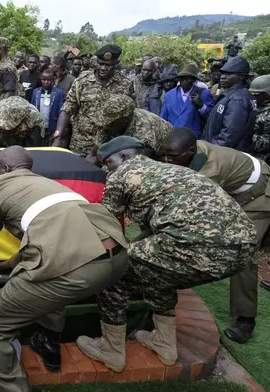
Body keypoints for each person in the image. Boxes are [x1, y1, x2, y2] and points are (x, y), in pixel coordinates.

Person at [76, 136, 256, 372]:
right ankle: (164, 344)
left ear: (122, 158)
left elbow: (108, 224)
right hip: (244, 247)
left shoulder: (121, 175)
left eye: (107, 163)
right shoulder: (171, 170)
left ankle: (111, 350)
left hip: (196, 246)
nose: (105, 169)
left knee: (115, 271)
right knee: (155, 268)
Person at [0, 146, 128, 391]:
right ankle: (49, 345)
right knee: (48, 278)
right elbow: (57, 234)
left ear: (4, 170)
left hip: (76, 268)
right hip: (117, 258)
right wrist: (14, 261)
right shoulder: (48, 184)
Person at [162, 127, 269, 343]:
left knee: (243, 253)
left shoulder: (210, 172)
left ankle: (245, 320)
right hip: (235, 189)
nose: (166, 160)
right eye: (165, 154)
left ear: (190, 151)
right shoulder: (186, 150)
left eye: (172, 157)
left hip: (258, 197)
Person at [52, 44, 135, 155]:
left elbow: (131, 115)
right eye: (100, 64)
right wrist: (58, 136)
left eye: (108, 65)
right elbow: (67, 108)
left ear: (116, 64)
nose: (103, 68)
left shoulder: (125, 84)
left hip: (110, 148)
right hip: (81, 145)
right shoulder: (82, 81)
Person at [202, 56, 257, 152]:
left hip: (223, 154)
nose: (222, 76)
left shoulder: (238, 99)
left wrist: (210, 151)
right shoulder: (233, 95)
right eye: (223, 73)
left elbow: (228, 136)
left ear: (241, 76)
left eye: (229, 73)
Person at [94, 94, 172, 159]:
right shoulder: (107, 125)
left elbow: (141, 163)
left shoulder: (145, 131)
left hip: (164, 157)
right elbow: (94, 155)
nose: (105, 126)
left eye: (109, 123)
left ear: (124, 120)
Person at [160, 63, 214, 138]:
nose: (184, 81)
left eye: (187, 78)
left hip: (192, 139)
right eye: (181, 78)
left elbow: (212, 117)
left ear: (193, 80)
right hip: (172, 138)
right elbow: (163, 119)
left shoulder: (203, 93)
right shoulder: (169, 95)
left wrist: (201, 106)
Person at [30, 70, 65, 146]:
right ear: (41, 80)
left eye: (49, 80)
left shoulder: (58, 92)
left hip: (52, 125)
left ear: (53, 80)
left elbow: (61, 110)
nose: (46, 82)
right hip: (38, 126)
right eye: (44, 80)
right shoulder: (36, 92)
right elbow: (32, 108)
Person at [250, 75, 270, 163]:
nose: (253, 97)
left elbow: (267, 141)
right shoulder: (257, 106)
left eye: (256, 95)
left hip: (262, 161)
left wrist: (246, 136)